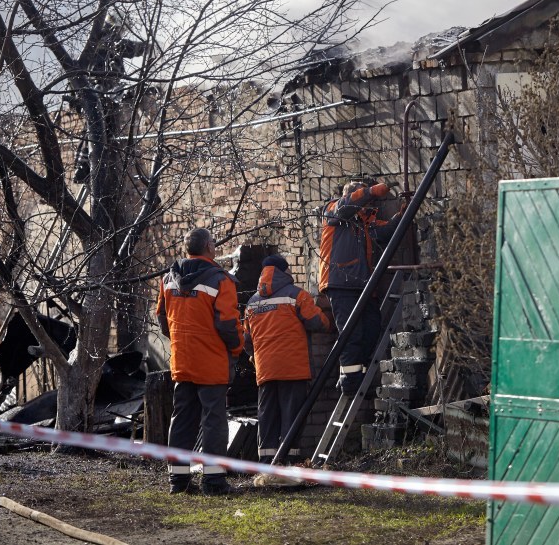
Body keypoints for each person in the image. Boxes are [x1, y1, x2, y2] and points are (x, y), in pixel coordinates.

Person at [154, 228, 243, 496]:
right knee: (213, 421)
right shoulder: (221, 280)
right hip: (212, 363)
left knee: (182, 419)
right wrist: (238, 349)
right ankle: (213, 481)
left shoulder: (168, 278)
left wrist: (182, 342)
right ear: (208, 247)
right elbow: (228, 325)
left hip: (183, 361)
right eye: (214, 243)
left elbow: (162, 318)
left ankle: (178, 481)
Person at [243, 254, 331, 469]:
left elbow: (246, 341)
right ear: (284, 271)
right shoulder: (297, 295)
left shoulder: (252, 302)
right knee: (292, 417)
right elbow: (316, 322)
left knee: (268, 418)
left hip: (265, 370)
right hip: (293, 368)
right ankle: (290, 462)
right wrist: (327, 316)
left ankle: (267, 463)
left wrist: (257, 359)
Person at [318, 179, 404, 394]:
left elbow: (384, 233)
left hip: (362, 285)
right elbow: (346, 206)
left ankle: (357, 375)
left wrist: (401, 214)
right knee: (351, 334)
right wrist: (372, 191)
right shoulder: (334, 211)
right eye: (362, 197)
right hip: (341, 283)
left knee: (372, 328)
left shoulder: (364, 222)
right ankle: (349, 383)